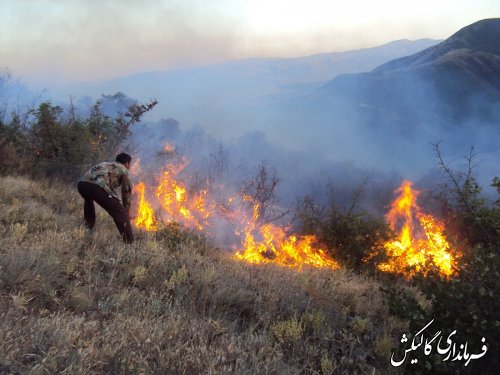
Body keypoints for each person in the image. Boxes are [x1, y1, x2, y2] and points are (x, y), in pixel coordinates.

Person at [77, 153, 134, 243]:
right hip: (97, 187)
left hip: (82, 184)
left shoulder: (106, 164)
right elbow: (126, 190)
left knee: (88, 201)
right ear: (127, 163)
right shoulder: (123, 169)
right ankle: (129, 242)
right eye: (129, 164)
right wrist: (126, 209)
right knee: (120, 213)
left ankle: (88, 227)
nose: (129, 166)